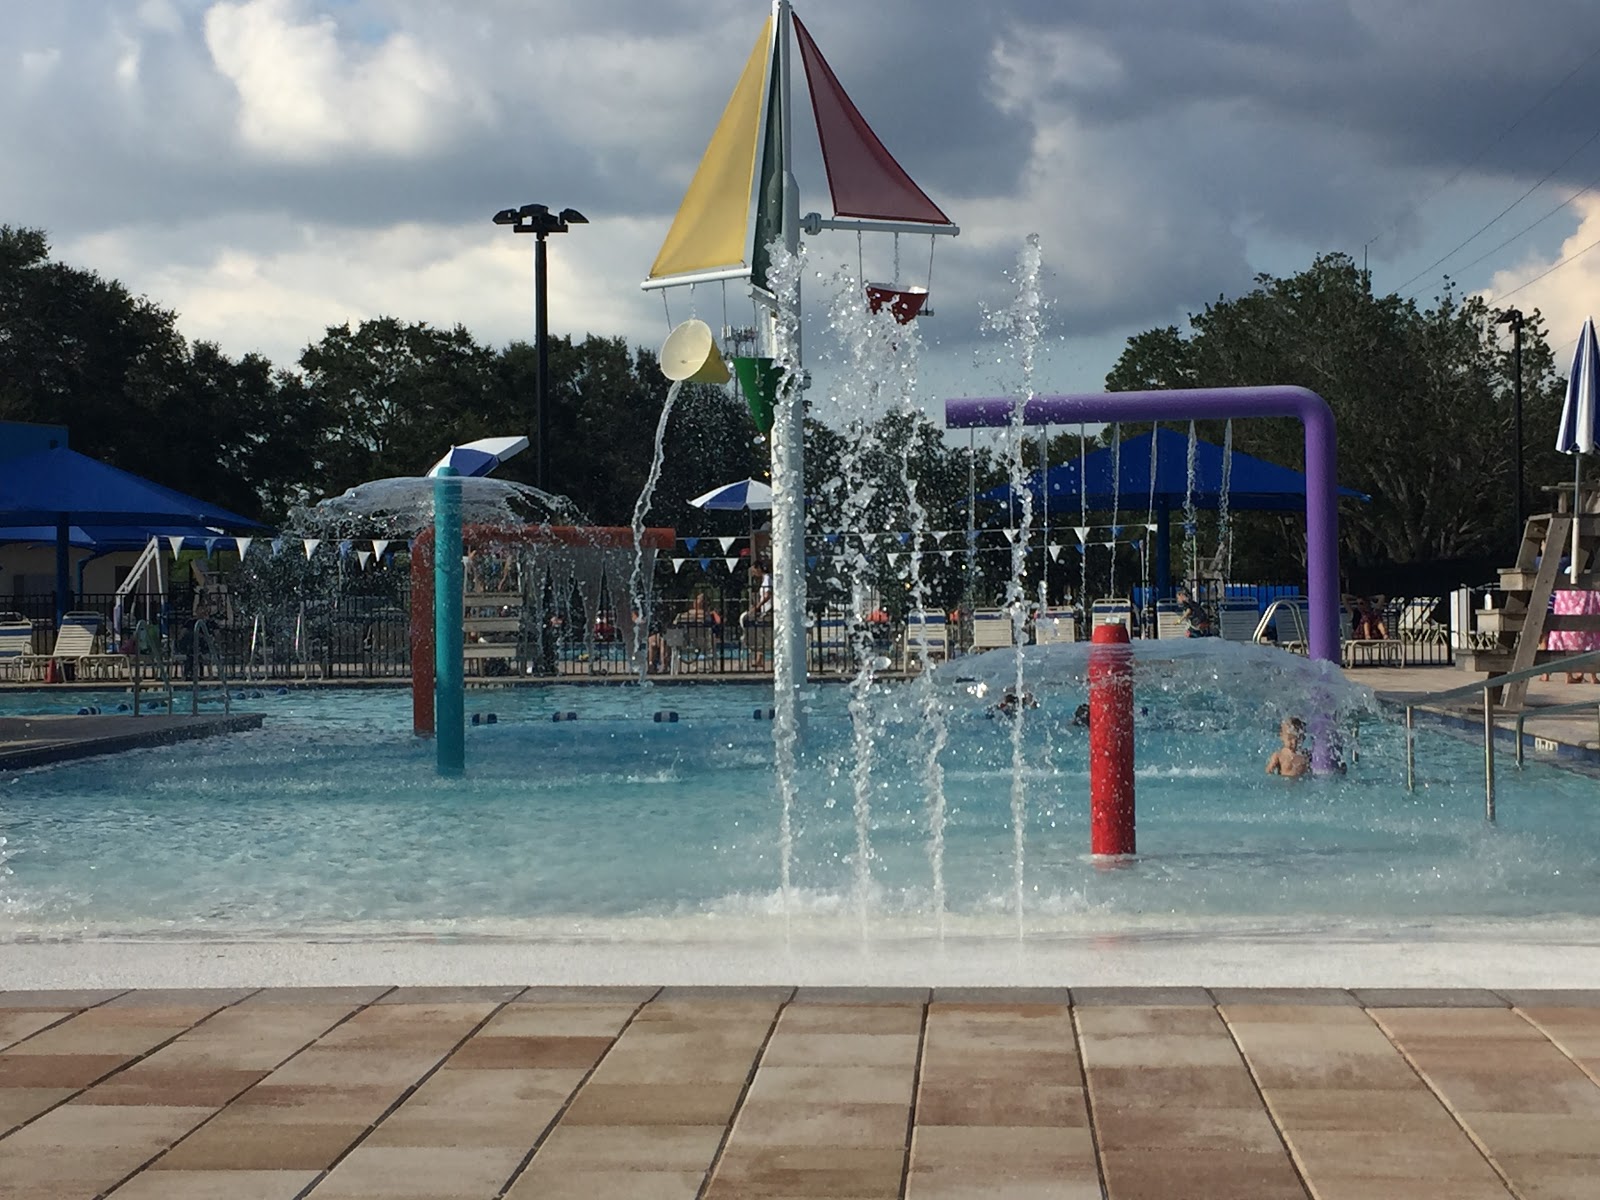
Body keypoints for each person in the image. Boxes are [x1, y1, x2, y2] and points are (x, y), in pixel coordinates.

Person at [741, 561, 774, 670]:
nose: (754, 573)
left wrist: (757, 607)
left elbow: (767, 595)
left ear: (759, 568)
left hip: (769, 610)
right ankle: (759, 659)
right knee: (761, 634)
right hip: (766, 610)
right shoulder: (766, 579)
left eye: (754, 570)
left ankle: (761, 659)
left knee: (762, 633)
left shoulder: (767, 579)